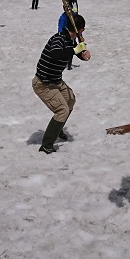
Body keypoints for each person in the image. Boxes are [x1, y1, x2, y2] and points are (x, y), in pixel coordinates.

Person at [33, 13, 90, 154]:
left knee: (70, 100)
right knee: (62, 110)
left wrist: (82, 55)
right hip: (43, 83)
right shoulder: (58, 39)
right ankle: (46, 145)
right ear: (79, 29)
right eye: (83, 29)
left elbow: (73, 53)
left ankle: (58, 129)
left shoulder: (70, 40)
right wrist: (75, 50)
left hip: (56, 81)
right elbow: (56, 54)